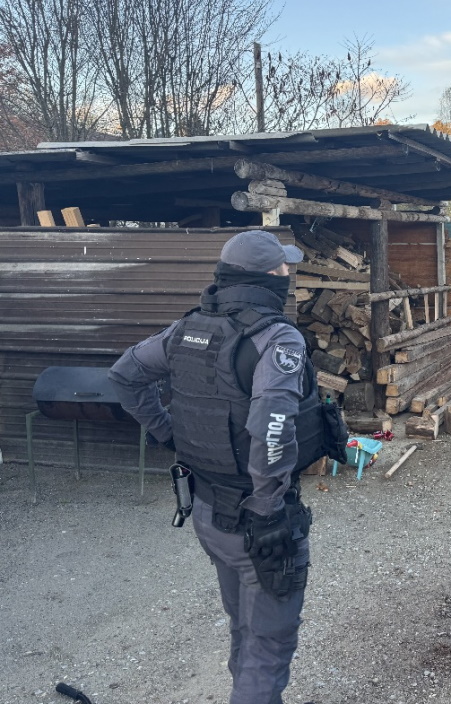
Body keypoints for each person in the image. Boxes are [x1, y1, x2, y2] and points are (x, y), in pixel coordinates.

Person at [108, 229, 346, 704]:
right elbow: (271, 426)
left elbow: (125, 375)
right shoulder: (275, 337)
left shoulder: (188, 328)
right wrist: (269, 508)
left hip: (207, 512)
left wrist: (167, 432)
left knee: (245, 628)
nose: (289, 272)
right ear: (270, 274)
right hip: (257, 523)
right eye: (284, 266)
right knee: (268, 647)